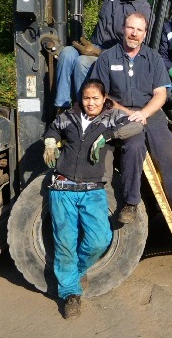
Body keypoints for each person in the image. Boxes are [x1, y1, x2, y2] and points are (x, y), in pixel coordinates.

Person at [90, 12, 172, 249]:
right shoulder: (106, 58)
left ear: (145, 33)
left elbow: (161, 94)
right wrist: (128, 113)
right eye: (130, 28)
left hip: (151, 114)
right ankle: (131, 203)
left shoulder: (152, 58)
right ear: (123, 29)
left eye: (139, 30)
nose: (134, 33)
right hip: (120, 114)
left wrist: (144, 114)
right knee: (133, 147)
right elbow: (101, 96)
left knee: (170, 163)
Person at [43, 78, 144, 319]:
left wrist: (107, 136)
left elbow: (137, 125)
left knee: (100, 239)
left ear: (104, 97)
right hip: (63, 189)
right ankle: (70, 295)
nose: (90, 103)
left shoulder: (112, 116)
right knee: (65, 242)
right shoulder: (68, 116)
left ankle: (76, 272)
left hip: (94, 190)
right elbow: (54, 128)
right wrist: (49, 141)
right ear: (81, 98)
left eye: (95, 98)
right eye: (86, 98)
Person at [52, 0, 152, 110]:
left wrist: (99, 53)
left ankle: (83, 110)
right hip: (92, 45)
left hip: (116, 57)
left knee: (82, 63)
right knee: (67, 53)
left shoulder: (143, 11)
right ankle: (61, 107)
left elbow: (133, 47)